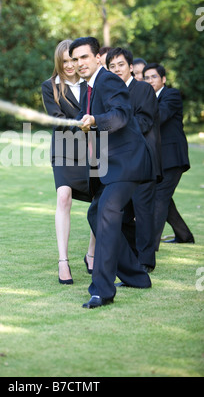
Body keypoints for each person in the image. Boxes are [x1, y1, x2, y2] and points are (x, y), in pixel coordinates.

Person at [69, 37, 154, 309]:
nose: (79, 63)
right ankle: (136, 277)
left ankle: (102, 290)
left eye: (84, 57)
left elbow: (120, 116)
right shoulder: (88, 88)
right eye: (75, 59)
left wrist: (95, 120)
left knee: (105, 213)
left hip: (127, 162)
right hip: (109, 167)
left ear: (97, 59)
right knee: (95, 213)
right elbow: (89, 124)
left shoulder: (109, 81)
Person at [41, 39, 95, 285]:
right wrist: (81, 123)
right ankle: (63, 260)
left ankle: (92, 253)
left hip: (95, 148)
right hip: (64, 148)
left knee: (101, 199)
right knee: (63, 196)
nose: (70, 65)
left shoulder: (92, 83)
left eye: (74, 59)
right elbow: (56, 119)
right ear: (58, 62)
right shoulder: (49, 87)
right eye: (65, 61)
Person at [106, 48, 161, 272]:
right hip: (118, 163)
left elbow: (145, 122)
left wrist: (113, 124)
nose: (117, 69)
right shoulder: (110, 93)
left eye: (121, 64)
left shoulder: (143, 89)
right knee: (123, 212)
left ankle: (146, 261)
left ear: (130, 67)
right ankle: (132, 255)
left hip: (142, 161)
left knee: (143, 210)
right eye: (112, 66)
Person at [143, 63, 194, 250]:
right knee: (164, 198)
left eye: (153, 77)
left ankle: (150, 248)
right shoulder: (148, 98)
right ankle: (184, 235)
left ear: (163, 79)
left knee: (159, 197)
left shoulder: (170, 95)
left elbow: (161, 116)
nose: (149, 81)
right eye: (146, 78)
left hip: (172, 157)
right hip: (158, 158)